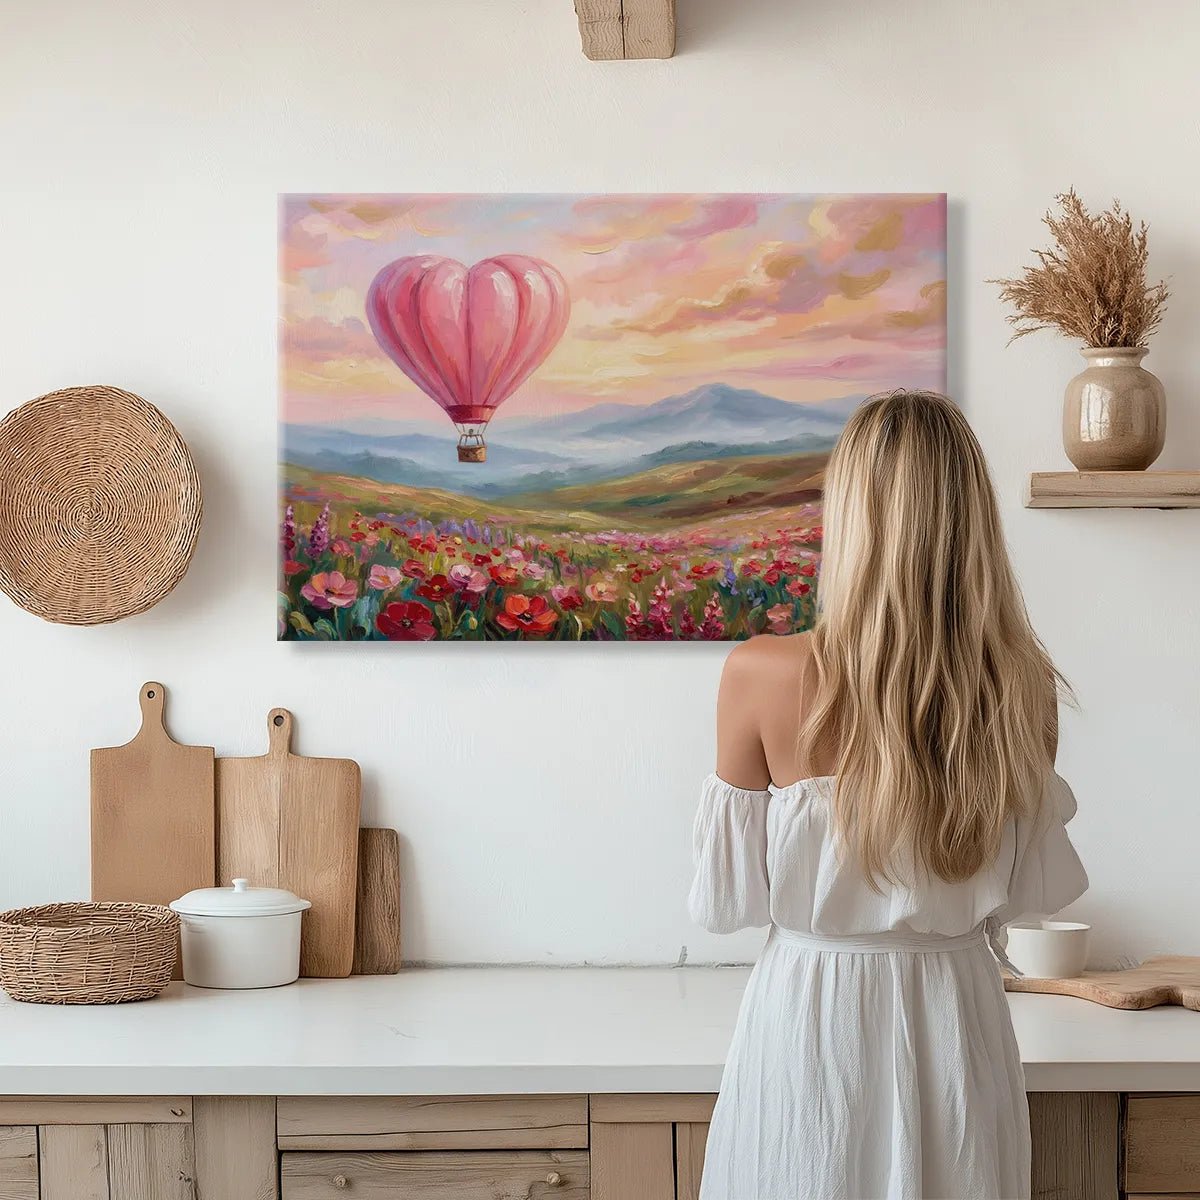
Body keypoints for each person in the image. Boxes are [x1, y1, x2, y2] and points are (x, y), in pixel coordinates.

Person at [689, 389, 1087, 1200]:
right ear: (972, 518)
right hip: (957, 1023)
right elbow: (1034, 895)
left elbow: (727, 903)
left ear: (851, 513)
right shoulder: (1022, 688)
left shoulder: (761, 673)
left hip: (811, 1026)